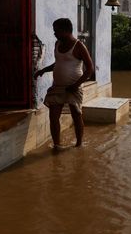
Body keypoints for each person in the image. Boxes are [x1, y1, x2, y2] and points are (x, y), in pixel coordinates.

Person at [35, 18, 94, 148]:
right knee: (53, 116)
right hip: (57, 86)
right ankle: (57, 145)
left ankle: (79, 144)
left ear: (66, 31)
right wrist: (43, 70)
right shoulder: (57, 44)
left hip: (74, 87)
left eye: (57, 31)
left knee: (76, 115)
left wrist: (76, 85)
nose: (54, 34)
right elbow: (59, 62)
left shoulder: (79, 46)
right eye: (54, 31)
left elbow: (90, 69)